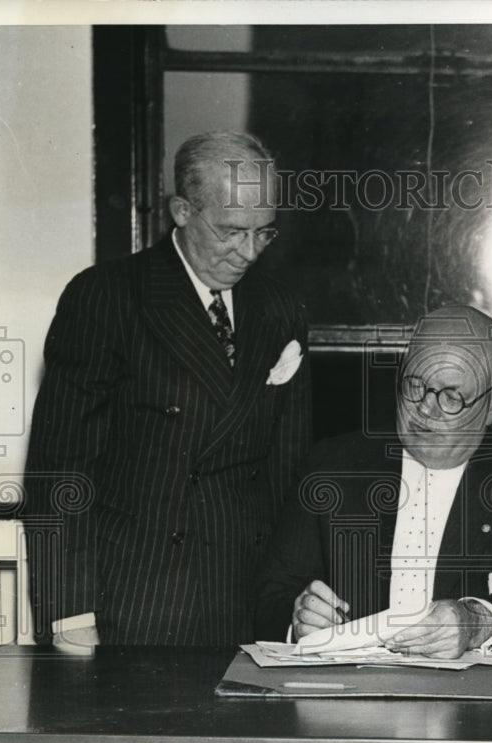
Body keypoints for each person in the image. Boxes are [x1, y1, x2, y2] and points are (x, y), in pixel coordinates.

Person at [24, 131, 312, 646]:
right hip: (132, 599)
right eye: (230, 231)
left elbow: (286, 471)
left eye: (263, 233)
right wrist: (68, 613)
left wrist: (285, 598)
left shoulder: (281, 309)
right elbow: (62, 468)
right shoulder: (107, 297)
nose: (247, 253)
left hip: (243, 599)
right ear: (181, 210)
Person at [253, 306, 492, 657]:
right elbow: (272, 595)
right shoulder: (333, 467)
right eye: (415, 385)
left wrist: (474, 622)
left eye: (451, 397)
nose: (426, 408)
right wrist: (299, 619)